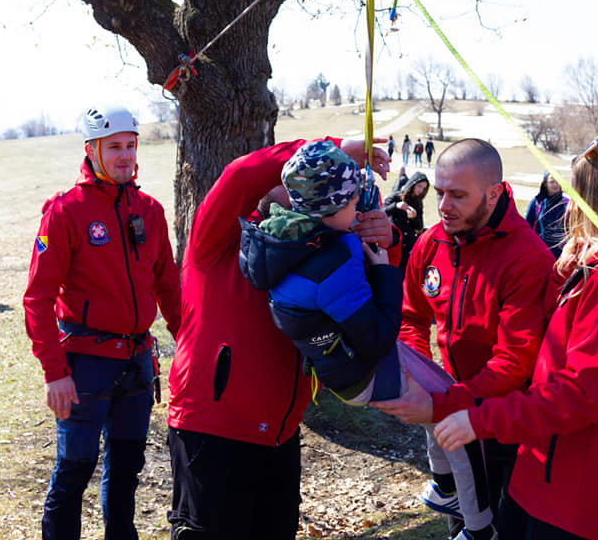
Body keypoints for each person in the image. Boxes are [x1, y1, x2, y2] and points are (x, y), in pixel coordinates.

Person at [433, 138, 598, 540]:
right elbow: (562, 339)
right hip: (554, 478)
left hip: (574, 496)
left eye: (577, 195)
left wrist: (480, 418)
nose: (570, 207)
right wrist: (567, 273)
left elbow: (580, 393)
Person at [239, 140, 497, 540]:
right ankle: (480, 527)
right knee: (455, 414)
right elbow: (377, 336)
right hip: (366, 368)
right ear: (332, 207)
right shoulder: (337, 256)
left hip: (340, 367)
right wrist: (382, 270)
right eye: (352, 200)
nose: (358, 205)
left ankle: (445, 488)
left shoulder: (283, 241)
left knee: (441, 397)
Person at [167, 137, 394, 540]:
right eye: (288, 177)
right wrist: (334, 148)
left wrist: (381, 248)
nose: (297, 188)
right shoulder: (218, 238)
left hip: (280, 434)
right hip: (213, 432)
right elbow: (241, 175)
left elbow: (368, 316)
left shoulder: (316, 245)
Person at [371, 139, 556, 540]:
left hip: (510, 427)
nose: (444, 206)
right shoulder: (432, 242)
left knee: (501, 530)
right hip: (454, 414)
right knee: (461, 525)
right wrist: (421, 378)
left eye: (458, 195)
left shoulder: (527, 257)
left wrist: (443, 402)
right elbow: (411, 316)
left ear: (493, 193)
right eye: (439, 193)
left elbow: (514, 362)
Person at [23, 106, 181, 540]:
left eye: (131, 145)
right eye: (114, 147)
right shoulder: (65, 211)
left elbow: (168, 285)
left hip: (137, 362)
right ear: (91, 150)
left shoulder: (149, 210)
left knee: (127, 467)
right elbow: (37, 298)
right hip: (84, 365)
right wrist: (54, 373)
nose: (125, 155)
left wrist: (186, 343)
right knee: (74, 469)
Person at [384, 170, 429, 270]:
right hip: (394, 242)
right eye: (419, 186)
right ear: (413, 184)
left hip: (408, 246)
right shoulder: (396, 196)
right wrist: (396, 206)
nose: (420, 190)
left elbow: (419, 226)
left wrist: (414, 217)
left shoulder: (418, 203)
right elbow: (383, 212)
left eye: (423, 188)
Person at [525, 172, 569, 258]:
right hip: (540, 250)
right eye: (551, 182)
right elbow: (527, 226)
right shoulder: (537, 202)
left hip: (561, 253)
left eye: (558, 181)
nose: (555, 184)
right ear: (545, 184)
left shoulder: (567, 204)